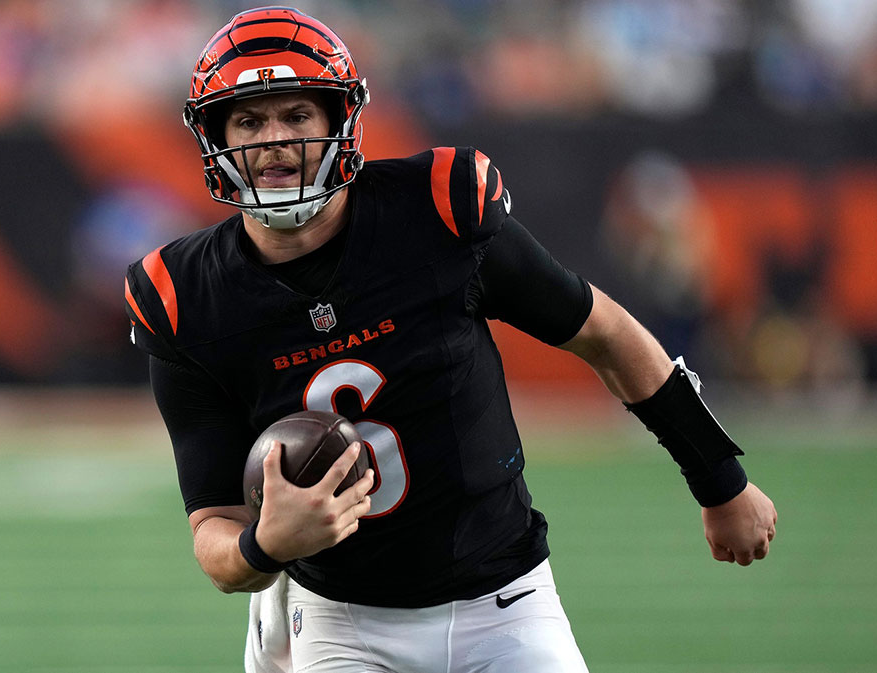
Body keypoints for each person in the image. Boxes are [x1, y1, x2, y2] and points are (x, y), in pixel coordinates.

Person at [124, 7, 777, 673]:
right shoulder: (185, 297)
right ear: (214, 135)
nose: (274, 140)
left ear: (338, 121)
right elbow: (213, 532)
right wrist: (265, 546)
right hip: (338, 615)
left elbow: (603, 333)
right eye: (249, 120)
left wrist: (719, 478)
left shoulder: (437, 212)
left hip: (503, 597)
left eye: (296, 115)